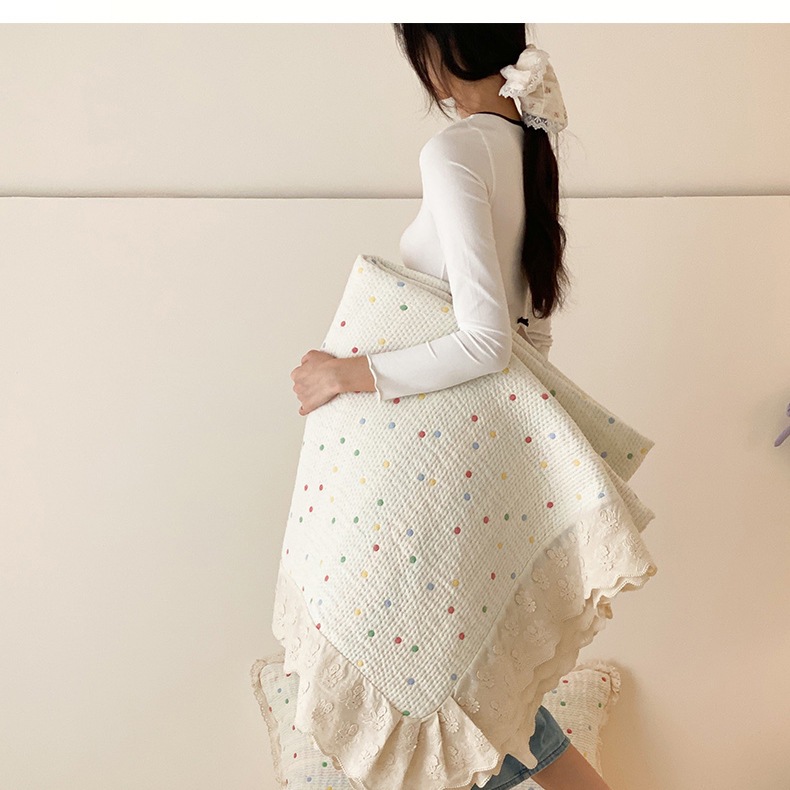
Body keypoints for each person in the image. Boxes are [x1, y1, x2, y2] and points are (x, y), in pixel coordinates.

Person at [290, 22, 613, 790]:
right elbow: (529, 338)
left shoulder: (459, 150)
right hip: (471, 466)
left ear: (440, 54)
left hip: (437, 476)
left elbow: (488, 342)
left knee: (439, 693)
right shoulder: (524, 150)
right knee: (477, 701)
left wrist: (345, 375)